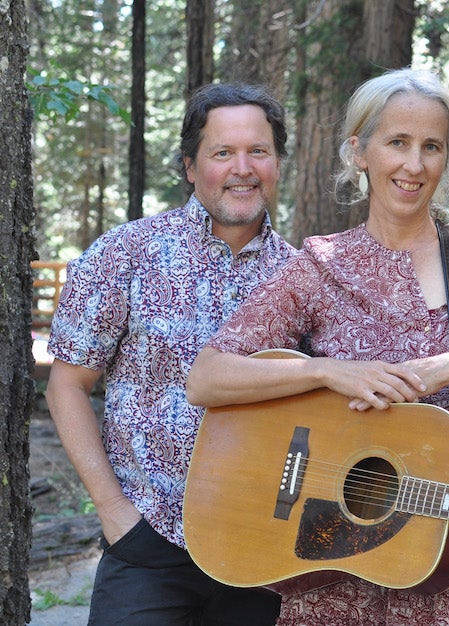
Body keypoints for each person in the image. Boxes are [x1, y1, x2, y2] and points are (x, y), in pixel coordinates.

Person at [186, 68, 449, 625]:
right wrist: (328, 372)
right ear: (359, 151)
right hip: (335, 571)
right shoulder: (319, 264)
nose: (414, 165)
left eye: (432, 146)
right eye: (397, 143)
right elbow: (207, 378)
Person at [45, 83, 297, 625]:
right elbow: (67, 385)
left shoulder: (301, 277)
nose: (243, 168)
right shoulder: (125, 254)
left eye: (259, 151)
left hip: (259, 551)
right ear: (189, 166)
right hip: (148, 539)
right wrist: (115, 515)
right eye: (222, 153)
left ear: (277, 162)